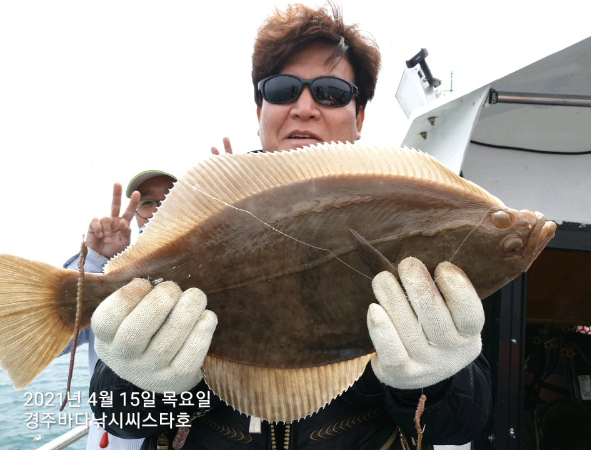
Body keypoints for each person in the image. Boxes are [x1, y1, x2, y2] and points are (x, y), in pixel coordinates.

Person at [89, 4, 491, 449]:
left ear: (359, 117)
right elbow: (121, 418)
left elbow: (461, 427)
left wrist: (432, 383)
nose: (304, 108)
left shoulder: (409, 215)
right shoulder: (208, 211)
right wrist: (144, 383)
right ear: (260, 109)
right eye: (282, 90)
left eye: (331, 93)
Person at [61, 171, 176, 450]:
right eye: (147, 202)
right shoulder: (110, 272)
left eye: (170, 198)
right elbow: (56, 342)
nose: (157, 209)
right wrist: (96, 258)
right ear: (137, 215)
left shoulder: (213, 264)